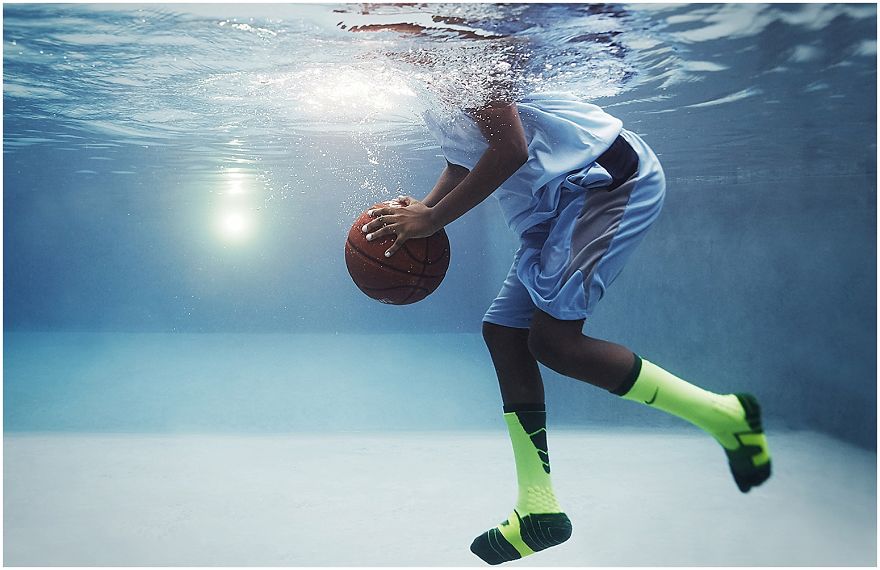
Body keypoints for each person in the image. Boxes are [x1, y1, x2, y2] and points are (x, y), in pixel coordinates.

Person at [360, 94, 772, 565]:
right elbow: (463, 157)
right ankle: (538, 507)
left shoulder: (468, 61)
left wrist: (434, 218)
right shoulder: (432, 85)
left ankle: (726, 414)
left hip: (607, 183)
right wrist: (424, 210)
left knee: (555, 343)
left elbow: (511, 148)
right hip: (555, 204)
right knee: (505, 333)